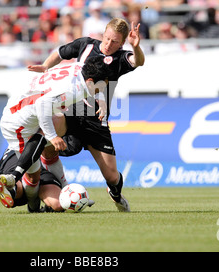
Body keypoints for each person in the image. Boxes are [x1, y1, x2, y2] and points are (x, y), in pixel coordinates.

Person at [27, 18, 145, 212]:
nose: (108, 44)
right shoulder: (86, 44)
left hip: (96, 121)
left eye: (115, 41)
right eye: (107, 38)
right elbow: (60, 52)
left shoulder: (120, 59)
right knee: (47, 136)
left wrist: (136, 47)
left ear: (122, 43)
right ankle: (44, 190)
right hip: (70, 112)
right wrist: (46, 66)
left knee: (112, 176)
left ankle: (115, 193)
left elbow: (138, 61)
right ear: (103, 34)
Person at [0, 57, 111, 211]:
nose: (101, 90)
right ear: (89, 81)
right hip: (20, 121)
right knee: (33, 176)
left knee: (51, 150)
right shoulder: (72, 91)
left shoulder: (81, 68)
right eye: (100, 87)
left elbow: (84, 72)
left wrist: (100, 101)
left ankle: (64, 189)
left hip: (27, 106)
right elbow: (42, 105)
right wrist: (52, 136)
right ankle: (30, 203)